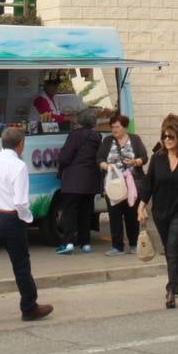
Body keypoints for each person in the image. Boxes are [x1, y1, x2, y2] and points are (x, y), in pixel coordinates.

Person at [0, 126, 53, 329]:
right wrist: (27, 218)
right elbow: (20, 201)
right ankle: (29, 306)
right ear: (21, 144)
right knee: (21, 265)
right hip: (10, 218)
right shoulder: (18, 166)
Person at [139, 117, 178, 309]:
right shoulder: (157, 158)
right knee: (171, 248)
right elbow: (148, 183)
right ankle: (176, 281)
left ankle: (170, 288)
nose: (167, 139)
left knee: (171, 247)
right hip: (161, 212)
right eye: (164, 136)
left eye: (171, 136)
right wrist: (141, 205)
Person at [98, 114, 147, 256]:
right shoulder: (107, 141)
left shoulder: (135, 139)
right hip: (113, 184)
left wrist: (134, 162)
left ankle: (133, 244)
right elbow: (99, 158)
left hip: (132, 183)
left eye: (117, 127)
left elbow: (144, 157)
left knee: (132, 214)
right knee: (114, 215)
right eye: (112, 127)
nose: (114, 130)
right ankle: (117, 247)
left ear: (125, 127)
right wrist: (106, 166)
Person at [55, 108, 102, 255]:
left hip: (74, 181)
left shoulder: (75, 136)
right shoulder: (97, 137)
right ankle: (85, 243)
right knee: (85, 213)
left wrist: (61, 168)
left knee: (70, 212)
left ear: (80, 121)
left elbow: (65, 157)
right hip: (90, 181)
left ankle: (68, 242)